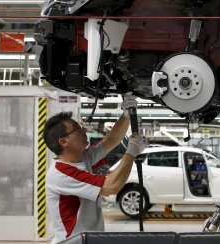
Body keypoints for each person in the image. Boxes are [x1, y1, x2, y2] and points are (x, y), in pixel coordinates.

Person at [43, 94, 147, 243]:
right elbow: (111, 187)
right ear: (64, 141)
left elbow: (110, 140)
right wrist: (131, 152)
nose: (84, 131)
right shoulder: (61, 173)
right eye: (77, 129)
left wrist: (125, 116)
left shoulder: (82, 157)